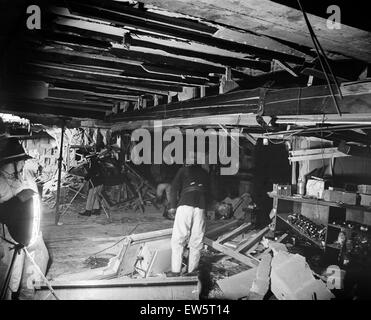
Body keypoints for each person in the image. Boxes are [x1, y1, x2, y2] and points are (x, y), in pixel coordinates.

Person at [168, 152, 212, 276]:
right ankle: (192, 272)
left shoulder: (183, 170)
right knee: (197, 241)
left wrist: (172, 207)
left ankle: (176, 271)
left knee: (178, 239)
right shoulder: (205, 173)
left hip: (185, 205)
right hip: (200, 207)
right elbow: (210, 192)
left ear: (187, 160)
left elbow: (174, 188)